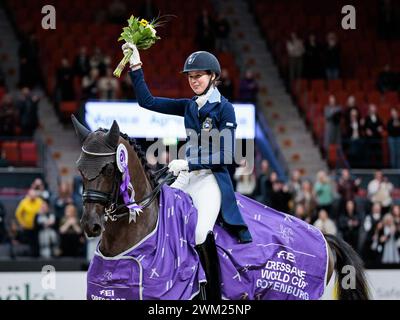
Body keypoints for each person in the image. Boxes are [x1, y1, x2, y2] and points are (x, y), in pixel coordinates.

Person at [124, 43, 252, 300]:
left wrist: (189, 163)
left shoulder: (224, 109)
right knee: (157, 217)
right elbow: (146, 101)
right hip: (185, 177)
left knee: (200, 231)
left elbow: (227, 156)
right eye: (191, 77)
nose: (193, 81)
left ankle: (214, 296)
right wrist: (136, 65)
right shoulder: (189, 106)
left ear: (213, 77)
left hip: (210, 179)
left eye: (199, 76)